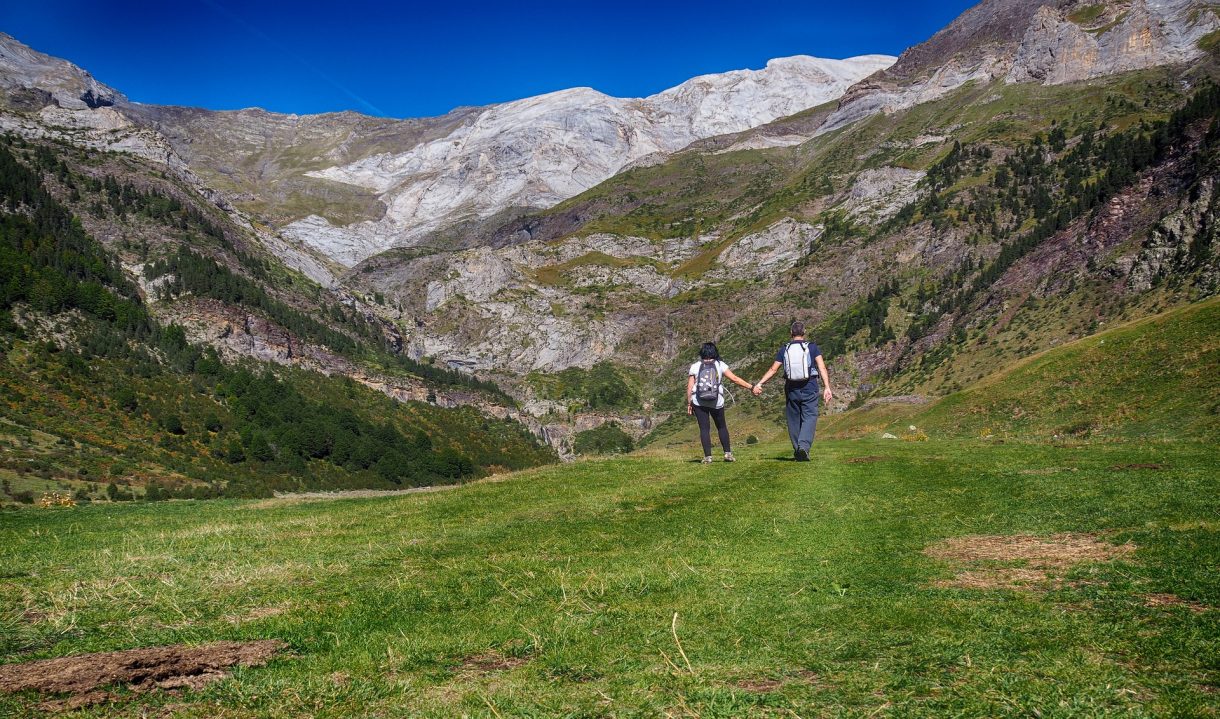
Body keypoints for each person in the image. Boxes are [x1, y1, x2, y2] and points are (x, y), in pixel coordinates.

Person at [752, 322, 832, 461]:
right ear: (804, 332)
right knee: (810, 417)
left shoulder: (785, 349)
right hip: (810, 387)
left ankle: (798, 449)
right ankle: (803, 447)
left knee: (793, 419)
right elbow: (822, 367)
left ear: (791, 333)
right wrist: (827, 387)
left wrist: (760, 383)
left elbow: (773, 369)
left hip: (791, 389)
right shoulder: (812, 347)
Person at [687, 342, 755, 464]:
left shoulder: (695, 366)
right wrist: (751, 387)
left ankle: (708, 457)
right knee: (721, 427)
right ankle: (727, 454)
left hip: (699, 401)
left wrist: (689, 403)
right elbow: (734, 379)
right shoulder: (720, 364)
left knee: (704, 429)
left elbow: (690, 386)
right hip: (716, 401)